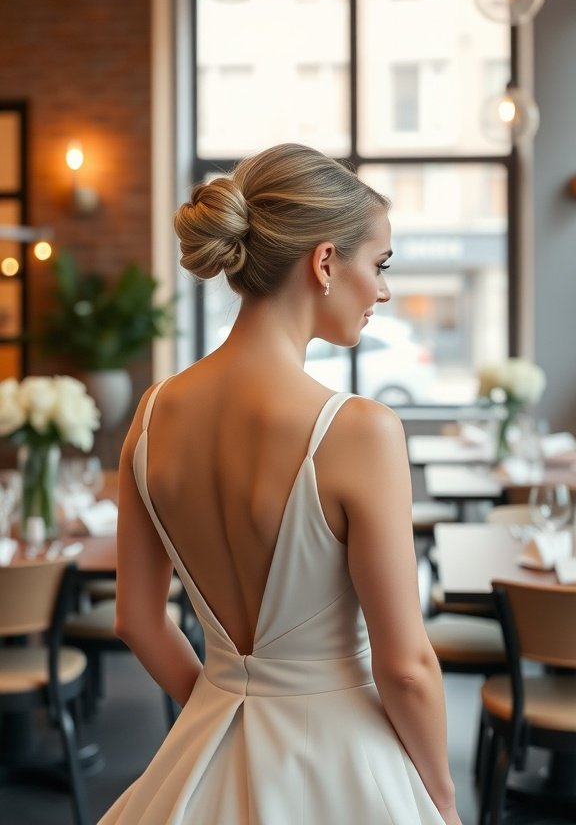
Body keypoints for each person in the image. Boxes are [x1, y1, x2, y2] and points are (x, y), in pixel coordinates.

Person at [98, 142, 462, 825]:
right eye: (379, 265)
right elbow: (406, 666)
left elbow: (137, 620)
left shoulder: (151, 414)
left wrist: (220, 710)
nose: (383, 291)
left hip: (202, 753)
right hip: (343, 765)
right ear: (324, 263)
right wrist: (440, 795)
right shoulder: (361, 431)